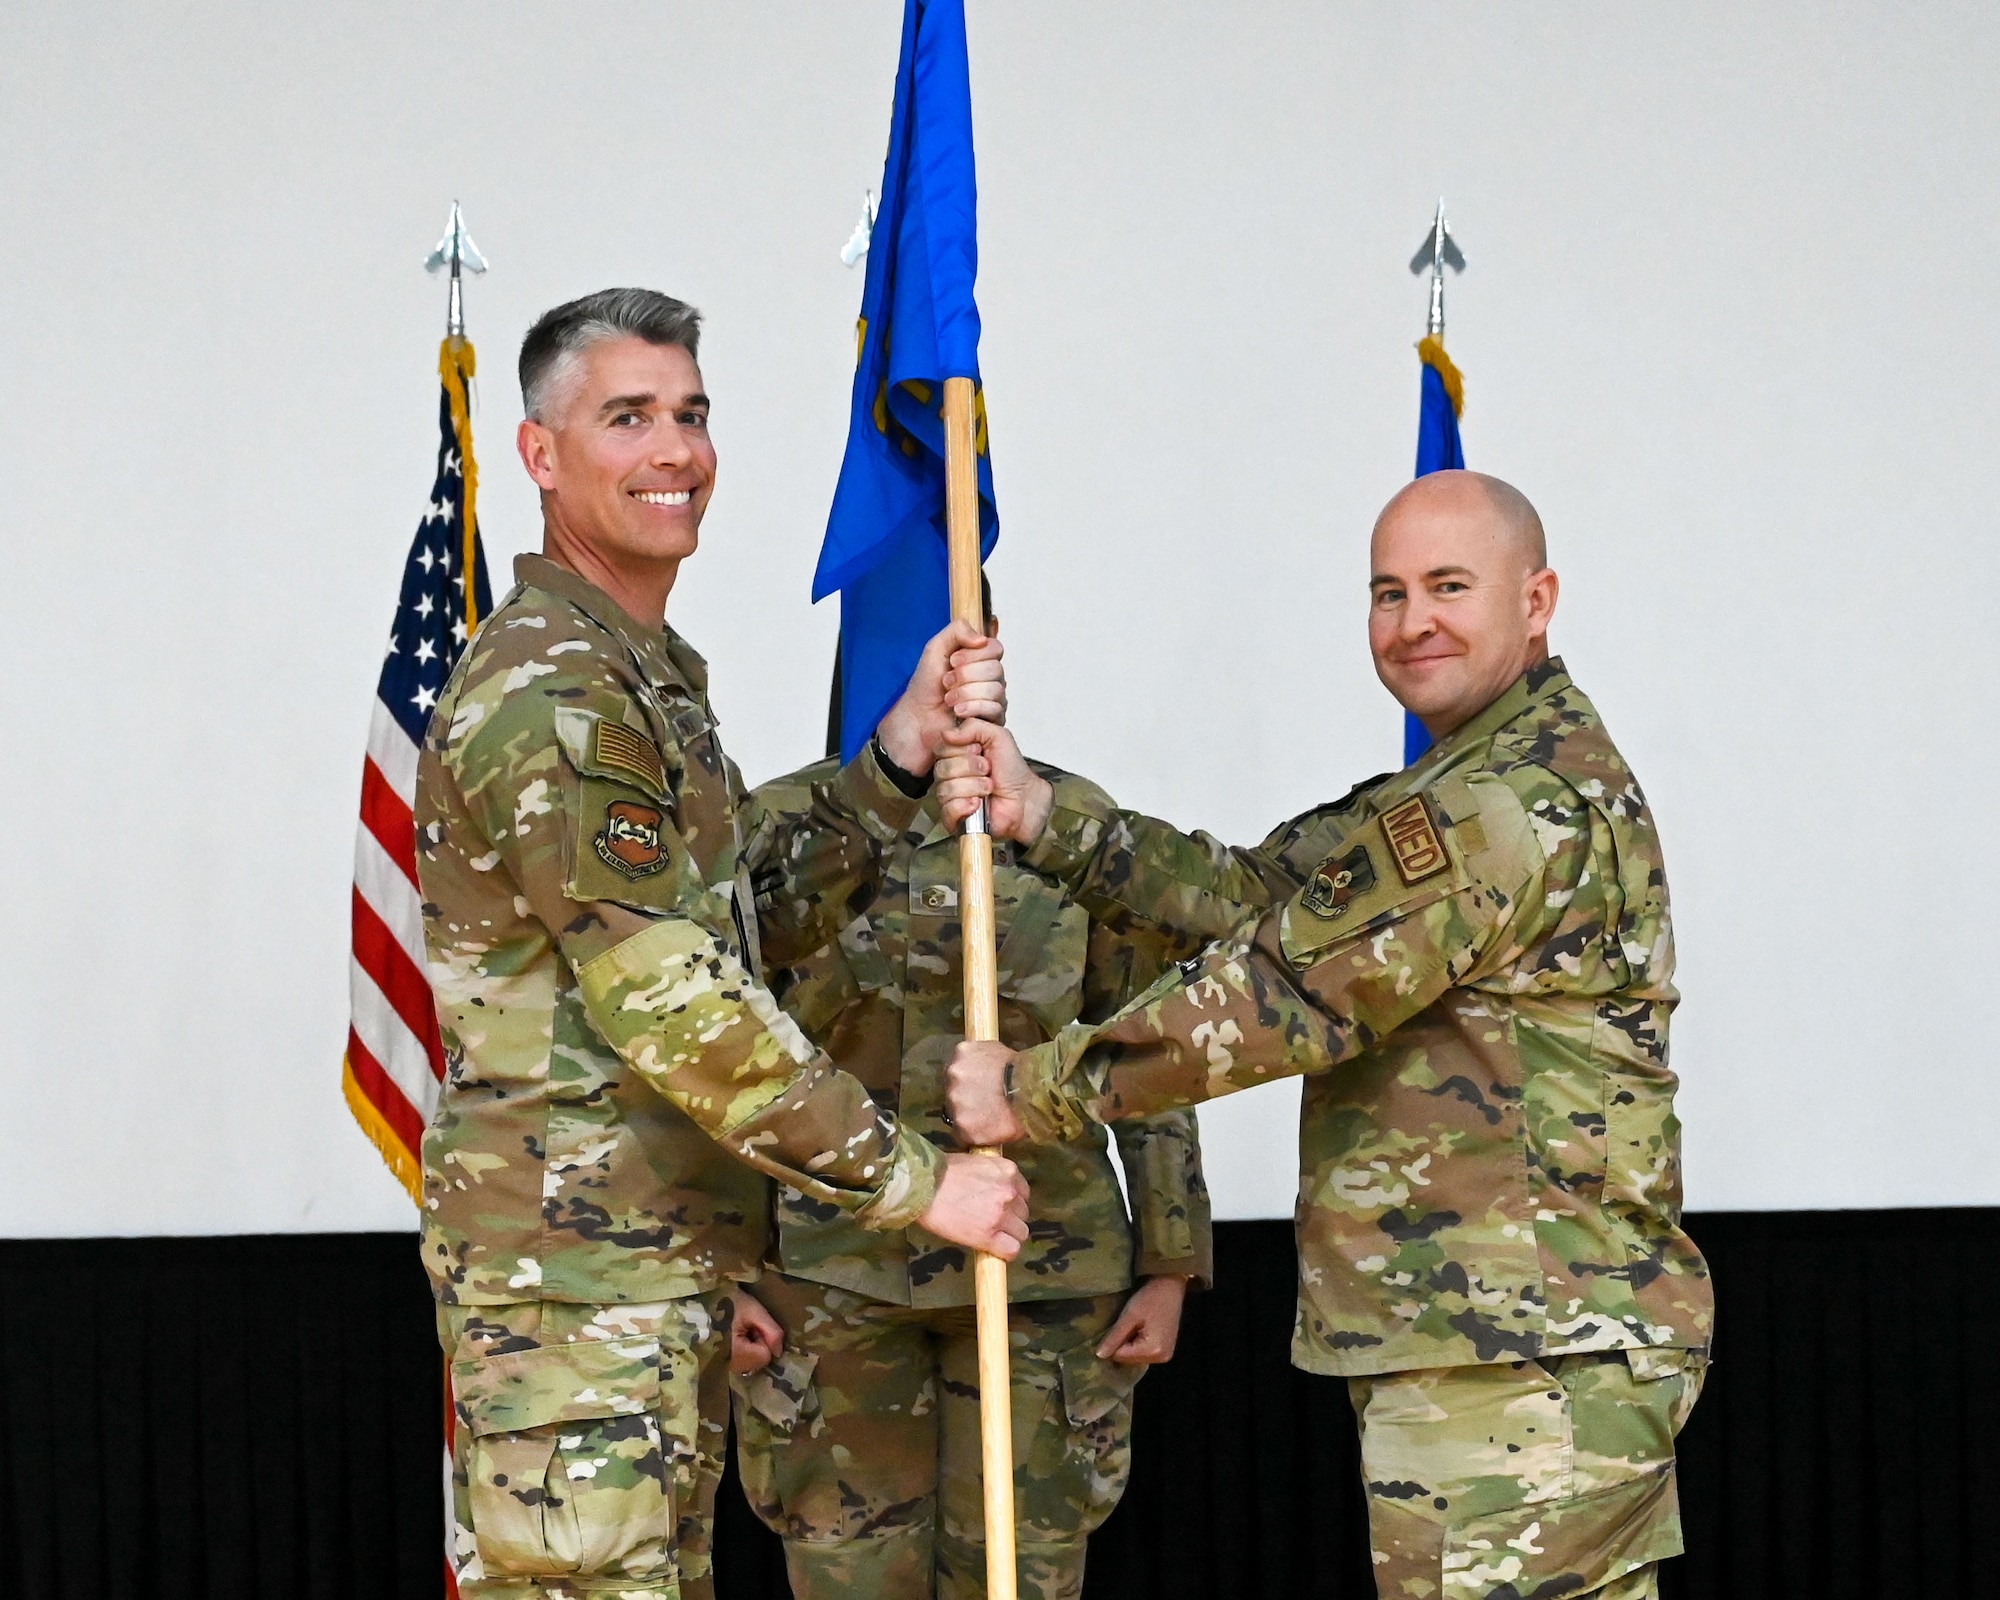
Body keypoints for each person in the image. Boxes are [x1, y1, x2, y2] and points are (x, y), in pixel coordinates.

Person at [941, 471, 1714, 1600]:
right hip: (1492, 1337)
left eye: (1449, 586)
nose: (1413, 623)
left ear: (1535, 599)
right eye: (1387, 593)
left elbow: (1287, 989)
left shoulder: (1501, 804)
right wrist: (1047, 816)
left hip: (1521, 1350)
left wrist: (1038, 1087)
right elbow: (1263, 893)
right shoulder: (1453, 782)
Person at [416, 287, 1030, 1600]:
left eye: (690, 415)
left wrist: (897, 763)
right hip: (575, 1301)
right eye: (627, 417)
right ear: (540, 454)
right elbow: (679, 1006)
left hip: (644, 1290)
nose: (675, 452)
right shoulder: (556, 695)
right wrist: (917, 1180)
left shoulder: (641, 677)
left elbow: (743, 918)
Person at [727, 729, 1215, 1600]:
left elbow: (1146, 1049)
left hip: (1042, 1275)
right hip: (827, 1279)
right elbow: (717, 1060)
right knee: (850, 1582)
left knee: (1020, 1579)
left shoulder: (1065, 823)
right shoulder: (783, 828)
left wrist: (1170, 1266)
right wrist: (719, 1271)